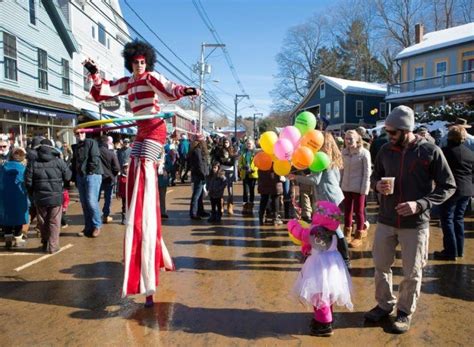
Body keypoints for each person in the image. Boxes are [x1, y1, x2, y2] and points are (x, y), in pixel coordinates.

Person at [85, 39, 199, 306]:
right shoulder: (127, 82)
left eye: (142, 62)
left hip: (156, 129)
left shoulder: (151, 77)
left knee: (144, 168)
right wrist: (93, 72)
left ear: (146, 62)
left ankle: (144, 200)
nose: (138, 66)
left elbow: (170, 88)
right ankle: (136, 199)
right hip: (139, 131)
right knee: (132, 167)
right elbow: (104, 92)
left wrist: (188, 89)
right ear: (130, 63)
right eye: (135, 62)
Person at [366, 105, 456, 333]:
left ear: (407, 130)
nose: (388, 135)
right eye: (387, 131)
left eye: (393, 132)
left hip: (415, 224)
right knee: (381, 266)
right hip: (386, 219)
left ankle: (404, 312)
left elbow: (448, 185)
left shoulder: (430, 151)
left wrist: (421, 204)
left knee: (412, 272)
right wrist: (376, 185)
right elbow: (375, 175)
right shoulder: (385, 149)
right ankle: (385, 304)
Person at [288, 201, 353, 337]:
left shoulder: (316, 232)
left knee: (319, 295)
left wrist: (292, 224)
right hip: (333, 266)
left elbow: (300, 234)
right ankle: (326, 319)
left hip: (319, 266)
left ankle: (324, 325)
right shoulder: (334, 232)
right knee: (327, 294)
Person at [288, 132, 351, 268]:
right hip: (336, 196)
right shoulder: (334, 157)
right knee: (331, 228)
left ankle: (343, 259)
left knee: (332, 229)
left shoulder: (320, 159)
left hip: (327, 199)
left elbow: (314, 180)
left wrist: (295, 177)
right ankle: (332, 257)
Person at [434, 126, 474, 260]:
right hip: (467, 190)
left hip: (450, 189)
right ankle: (459, 250)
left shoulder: (444, 152)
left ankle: (450, 251)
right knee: (458, 219)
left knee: (447, 219)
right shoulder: (469, 153)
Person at [25, 140, 71, 253]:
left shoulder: (33, 163)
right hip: (56, 197)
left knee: (42, 221)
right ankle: (53, 246)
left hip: (40, 197)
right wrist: (64, 185)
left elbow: (28, 181)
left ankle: (45, 242)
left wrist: (32, 193)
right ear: (52, 148)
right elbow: (68, 176)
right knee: (54, 222)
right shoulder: (59, 162)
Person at [341, 129, 371, 248]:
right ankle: (347, 233)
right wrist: (340, 185)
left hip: (359, 187)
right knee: (347, 210)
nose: (348, 141)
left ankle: (359, 234)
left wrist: (364, 189)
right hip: (346, 186)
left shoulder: (364, 153)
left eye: (351, 138)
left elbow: (367, 173)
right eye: (346, 138)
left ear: (358, 139)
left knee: (359, 211)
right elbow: (341, 170)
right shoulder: (343, 152)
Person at [72, 130, 103, 238]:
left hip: (92, 175)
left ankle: (97, 225)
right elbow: (75, 161)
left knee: (91, 201)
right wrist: (75, 176)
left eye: (82, 133)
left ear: (85, 133)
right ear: (74, 135)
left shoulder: (91, 142)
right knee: (84, 203)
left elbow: (95, 158)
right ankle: (88, 227)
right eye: (77, 133)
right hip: (81, 176)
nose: (80, 135)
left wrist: (90, 171)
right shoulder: (76, 146)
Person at [0, 147, 29, 249]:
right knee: (19, 217)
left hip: (4, 196)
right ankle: (18, 240)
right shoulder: (23, 168)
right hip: (19, 196)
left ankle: (7, 238)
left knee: (6, 217)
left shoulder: (2, 167)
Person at [213, 137, 238, 215]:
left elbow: (233, 162)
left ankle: (230, 207)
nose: (226, 144)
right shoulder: (220, 151)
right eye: (225, 142)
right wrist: (226, 160)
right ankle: (221, 207)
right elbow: (218, 160)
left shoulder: (233, 150)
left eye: (227, 142)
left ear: (229, 143)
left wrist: (225, 161)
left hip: (230, 171)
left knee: (230, 191)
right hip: (222, 171)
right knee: (221, 190)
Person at [98, 135, 120, 224]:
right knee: (108, 198)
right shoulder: (111, 153)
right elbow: (117, 168)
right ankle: (106, 215)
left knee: (96, 198)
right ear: (107, 142)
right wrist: (113, 175)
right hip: (109, 178)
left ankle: (95, 214)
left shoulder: (96, 152)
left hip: (98, 178)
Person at [188, 133, 210, 220]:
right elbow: (200, 164)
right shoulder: (197, 150)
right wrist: (203, 175)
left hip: (199, 174)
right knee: (196, 195)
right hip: (199, 175)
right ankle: (193, 213)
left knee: (200, 194)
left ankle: (200, 211)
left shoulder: (197, 149)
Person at [238, 139, 258, 215]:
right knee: (245, 191)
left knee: (252, 190)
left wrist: (253, 169)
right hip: (245, 173)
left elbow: (258, 163)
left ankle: (250, 207)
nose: (249, 145)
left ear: (253, 145)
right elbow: (239, 162)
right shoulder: (243, 153)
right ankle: (245, 207)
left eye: (250, 144)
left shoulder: (255, 153)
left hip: (252, 174)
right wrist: (242, 167)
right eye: (247, 144)